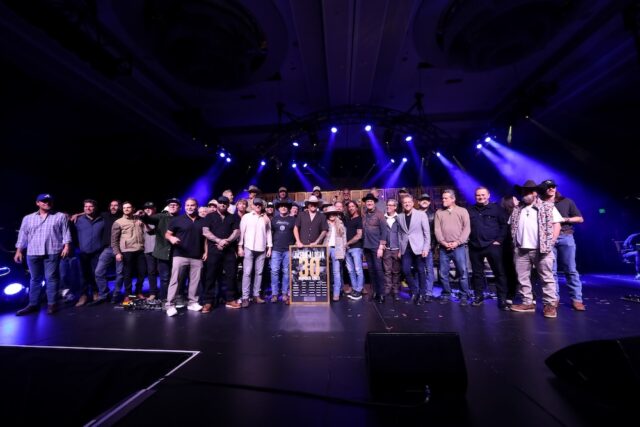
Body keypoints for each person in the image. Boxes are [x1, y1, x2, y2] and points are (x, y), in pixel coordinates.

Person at [509, 180, 563, 318]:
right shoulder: (517, 209)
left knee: (547, 277)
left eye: (527, 191)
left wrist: (551, 242)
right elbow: (512, 225)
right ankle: (527, 302)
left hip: (541, 249)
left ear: (534, 193)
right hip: (521, 249)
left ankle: (550, 305)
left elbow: (557, 224)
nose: (524, 194)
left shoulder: (547, 206)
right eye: (523, 191)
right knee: (522, 278)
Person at [14, 193, 71, 315]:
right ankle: (33, 304)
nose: (47, 203)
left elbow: (66, 232)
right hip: (33, 252)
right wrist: (19, 250)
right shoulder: (28, 218)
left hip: (52, 251)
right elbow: (23, 235)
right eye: (44, 201)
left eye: (49, 201)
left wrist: (66, 246)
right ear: (37, 203)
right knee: (35, 278)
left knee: (51, 278)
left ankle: (52, 304)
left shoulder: (60, 216)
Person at [539, 179, 586, 311]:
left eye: (553, 186)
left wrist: (565, 219)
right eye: (548, 187)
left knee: (570, 269)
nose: (551, 189)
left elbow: (580, 218)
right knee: (551, 271)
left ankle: (577, 299)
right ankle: (554, 298)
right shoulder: (540, 203)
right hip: (547, 239)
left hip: (566, 236)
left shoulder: (566, 201)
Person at [467, 187, 510, 310]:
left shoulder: (497, 209)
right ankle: (478, 296)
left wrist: (499, 240)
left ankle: (502, 299)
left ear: (488, 195)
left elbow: (504, 226)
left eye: (483, 195)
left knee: (499, 272)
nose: (480, 197)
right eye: (478, 195)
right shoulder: (470, 210)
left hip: (492, 245)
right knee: (477, 274)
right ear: (475, 196)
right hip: (475, 246)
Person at [164, 197, 207, 317]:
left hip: (197, 256)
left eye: (192, 205)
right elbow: (167, 234)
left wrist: (206, 252)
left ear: (197, 206)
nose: (190, 207)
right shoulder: (177, 220)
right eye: (187, 205)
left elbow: (205, 239)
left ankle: (192, 303)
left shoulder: (203, 221)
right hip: (180, 255)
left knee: (195, 281)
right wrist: (171, 238)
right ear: (184, 207)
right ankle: (170, 305)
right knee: (175, 281)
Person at [202, 195, 240, 312]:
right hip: (214, 250)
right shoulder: (209, 216)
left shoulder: (233, 217)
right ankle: (208, 302)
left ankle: (230, 299)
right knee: (211, 276)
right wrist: (219, 241)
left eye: (225, 203)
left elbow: (237, 232)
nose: (222, 204)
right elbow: (205, 231)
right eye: (221, 202)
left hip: (229, 250)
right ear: (217, 204)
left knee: (231, 275)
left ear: (228, 205)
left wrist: (226, 241)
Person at [434, 189, 472, 305]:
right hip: (444, 247)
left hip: (459, 247)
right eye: (442, 198)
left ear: (453, 199)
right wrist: (443, 242)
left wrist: (457, 242)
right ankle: (446, 293)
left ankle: (464, 294)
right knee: (443, 273)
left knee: (462, 272)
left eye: (446, 198)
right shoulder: (439, 212)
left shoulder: (462, 211)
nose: (443, 200)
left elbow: (467, 229)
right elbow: (437, 229)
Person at [397, 195, 431, 304]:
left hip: (419, 247)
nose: (407, 204)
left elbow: (427, 233)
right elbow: (400, 234)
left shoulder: (421, 214)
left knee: (420, 270)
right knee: (405, 270)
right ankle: (414, 291)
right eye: (405, 202)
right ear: (402, 204)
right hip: (405, 248)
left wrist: (426, 248)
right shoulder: (400, 216)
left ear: (413, 203)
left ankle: (422, 294)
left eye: (409, 202)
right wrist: (399, 249)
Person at [238, 197, 272, 307]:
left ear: (262, 206)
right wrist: (240, 247)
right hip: (248, 247)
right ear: (252, 206)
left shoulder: (265, 218)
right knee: (247, 273)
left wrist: (269, 247)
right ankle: (245, 297)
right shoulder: (246, 217)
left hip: (261, 248)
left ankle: (256, 295)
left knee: (259, 273)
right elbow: (241, 232)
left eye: (259, 204)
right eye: (256, 204)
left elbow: (268, 233)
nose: (258, 206)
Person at [111, 202, 146, 301]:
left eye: (128, 207)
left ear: (133, 208)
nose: (126, 209)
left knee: (142, 273)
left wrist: (141, 214)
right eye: (124, 208)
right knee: (128, 274)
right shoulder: (118, 222)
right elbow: (114, 240)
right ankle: (128, 295)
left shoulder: (139, 219)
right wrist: (117, 252)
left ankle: (138, 292)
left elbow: (145, 215)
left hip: (140, 250)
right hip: (127, 251)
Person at [73, 199, 104, 306]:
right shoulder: (78, 220)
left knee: (96, 273)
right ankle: (84, 295)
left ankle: (96, 292)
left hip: (97, 252)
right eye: (86, 206)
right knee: (83, 275)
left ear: (95, 208)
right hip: (83, 252)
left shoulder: (102, 219)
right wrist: (77, 214)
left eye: (90, 206)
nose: (88, 208)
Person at [361, 192, 387, 303]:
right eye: (368, 201)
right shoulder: (364, 214)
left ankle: (382, 294)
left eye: (371, 201)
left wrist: (381, 247)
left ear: (374, 203)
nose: (369, 203)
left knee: (378, 270)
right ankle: (375, 292)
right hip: (366, 246)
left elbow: (384, 231)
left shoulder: (380, 214)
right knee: (371, 271)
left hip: (376, 247)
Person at [270, 200, 296, 303]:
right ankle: (275, 294)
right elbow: (270, 234)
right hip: (276, 249)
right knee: (274, 271)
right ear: (278, 208)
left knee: (286, 272)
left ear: (288, 208)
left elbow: (296, 233)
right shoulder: (274, 219)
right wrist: (269, 247)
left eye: (285, 206)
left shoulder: (293, 219)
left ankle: (285, 293)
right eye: (281, 206)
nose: (283, 208)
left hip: (288, 250)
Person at [324, 206, 347, 301]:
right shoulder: (325, 223)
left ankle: (336, 293)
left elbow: (344, 239)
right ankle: (325, 291)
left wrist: (343, 251)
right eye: (330, 214)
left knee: (336, 272)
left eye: (333, 213)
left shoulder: (340, 224)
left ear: (336, 214)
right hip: (326, 248)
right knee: (324, 271)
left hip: (337, 249)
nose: (332, 215)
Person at [416, 193, 436, 300]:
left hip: (429, 246)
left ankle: (428, 292)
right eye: (422, 199)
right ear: (418, 202)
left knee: (429, 269)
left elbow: (435, 232)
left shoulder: (434, 214)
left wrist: (432, 246)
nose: (425, 201)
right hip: (416, 247)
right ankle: (419, 291)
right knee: (418, 269)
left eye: (427, 200)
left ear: (429, 202)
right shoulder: (414, 213)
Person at [500, 195, 519, 303]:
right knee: (510, 270)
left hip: (518, 244)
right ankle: (510, 293)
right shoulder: (504, 215)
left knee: (523, 271)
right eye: (515, 199)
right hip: (507, 246)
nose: (518, 201)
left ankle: (530, 295)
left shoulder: (519, 212)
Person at [344, 200, 364, 300]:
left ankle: (359, 290)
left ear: (356, 207)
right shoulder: (348, 220)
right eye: (349, 207)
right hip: (347, 249)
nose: (351, 208)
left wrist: (347, 243)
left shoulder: (359, 219)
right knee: (350, 271)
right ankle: (355, 289)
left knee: (358, 270)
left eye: (353, 206)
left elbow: (359, 235)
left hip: (356, 248)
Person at [382, 199, 402, 300]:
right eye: (388, 205)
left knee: (396, 271)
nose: (388, 207)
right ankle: (387, 289)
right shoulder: (383, 218)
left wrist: (401, 249)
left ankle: (395, 291)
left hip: (397, 248)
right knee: (387, 271)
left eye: (391, 205)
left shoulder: (399, 218)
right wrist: (381, 244)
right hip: (387, 249)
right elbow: (380, 232)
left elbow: (402, 234)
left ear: (395, 207)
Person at [141, 202, 159, 300]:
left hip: (159, 250)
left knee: (163, 272)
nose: (147, 209)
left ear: (154, 209)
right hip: (148, 249)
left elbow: (150, 231)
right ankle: (153, 293)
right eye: (146, 208)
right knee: (151, 272)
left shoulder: (159, 218)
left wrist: (144, 221)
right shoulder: (140, 219)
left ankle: (166, 293)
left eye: (150, 208)